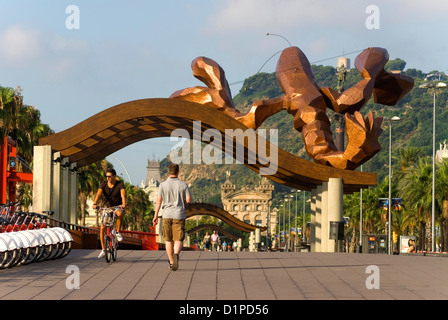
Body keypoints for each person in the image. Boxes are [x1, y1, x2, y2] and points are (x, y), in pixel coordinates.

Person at [153, 163, 191, 271]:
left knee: (168, 239)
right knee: (178, 238)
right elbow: (188, 200)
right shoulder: (184, 185)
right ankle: (176, 254)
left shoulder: (162, 185)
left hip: (166, 214)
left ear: (169, 172)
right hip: (179, 214)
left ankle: (171, 261)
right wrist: (183, 202)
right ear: (178, 172)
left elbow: (159, 201)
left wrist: (155, 215)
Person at [92, 168, 126, 259]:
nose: (108, 178)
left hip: (117, 207)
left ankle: (118, 232)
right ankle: (103, 249)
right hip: (106, 207)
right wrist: (95, 203)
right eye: (106, 176)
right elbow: (99, 194)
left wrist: (123, 204)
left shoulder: (120, 184)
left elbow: (123, 195)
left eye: (109, 176)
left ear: (114, 176)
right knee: (102, 227)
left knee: (120, 214)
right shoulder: (103, 184)